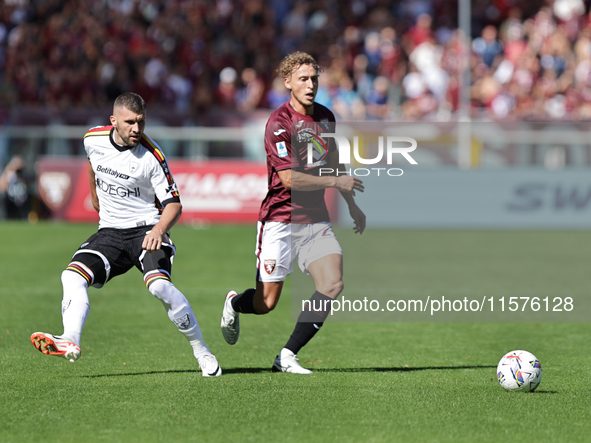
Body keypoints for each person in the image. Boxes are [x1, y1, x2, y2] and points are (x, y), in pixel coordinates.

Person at [31, 92, 221, 377]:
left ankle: (202, 351)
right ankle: (71, 338)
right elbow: (92, 162)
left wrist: (159, 230)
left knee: (159, 287)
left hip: (147, 230)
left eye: (141, 122)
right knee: (71, 276)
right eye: (130, 122)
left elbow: (174, 204)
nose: (136, 129)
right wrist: (95, 195)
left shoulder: (151, 156)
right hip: (110, 231)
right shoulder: (92, 139)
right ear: (113, 121)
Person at [221, 52, 366, 374]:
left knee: (333, 283)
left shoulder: (326, 117)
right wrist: (335, 181)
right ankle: (234, 302)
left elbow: (335, 163)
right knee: (265, 303)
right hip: (279, 219)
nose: (310, 84)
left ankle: (286, 355)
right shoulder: (278, 123)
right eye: (303, 79)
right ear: (288, 82)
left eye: (314, 78)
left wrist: (352, 205)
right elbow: (287, 179)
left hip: (314, 219)